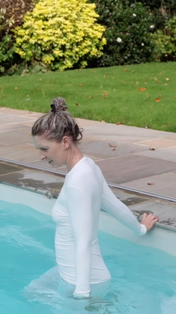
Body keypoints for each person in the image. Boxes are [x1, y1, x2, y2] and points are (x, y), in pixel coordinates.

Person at [31, 97, 159, 299]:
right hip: (70, 274)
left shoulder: (77, 182)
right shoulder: (88, 167)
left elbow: (84, 242)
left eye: (44, 149)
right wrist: (140, 228)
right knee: (32, 292)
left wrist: (81, 297)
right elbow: (114, 205)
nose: (40, 156)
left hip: (80, 284)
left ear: (65, 141)